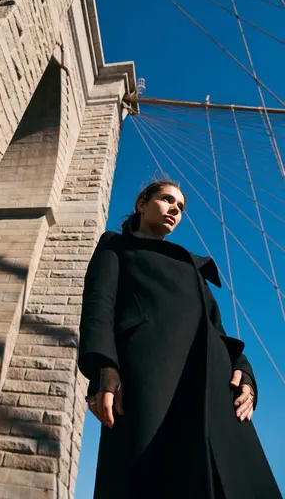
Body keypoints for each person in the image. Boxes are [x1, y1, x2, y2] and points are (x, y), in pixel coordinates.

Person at [78, 180, 281, 499]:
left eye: (181, 207)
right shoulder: (115, 246)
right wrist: (105, 367)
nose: (175, 208)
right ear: (142, 203)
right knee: (154, 475)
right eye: (167, 199)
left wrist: (246, 375)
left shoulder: (193, 267)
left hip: (215, 385)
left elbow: (218, 331)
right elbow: (98, 307)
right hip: (151, 375)